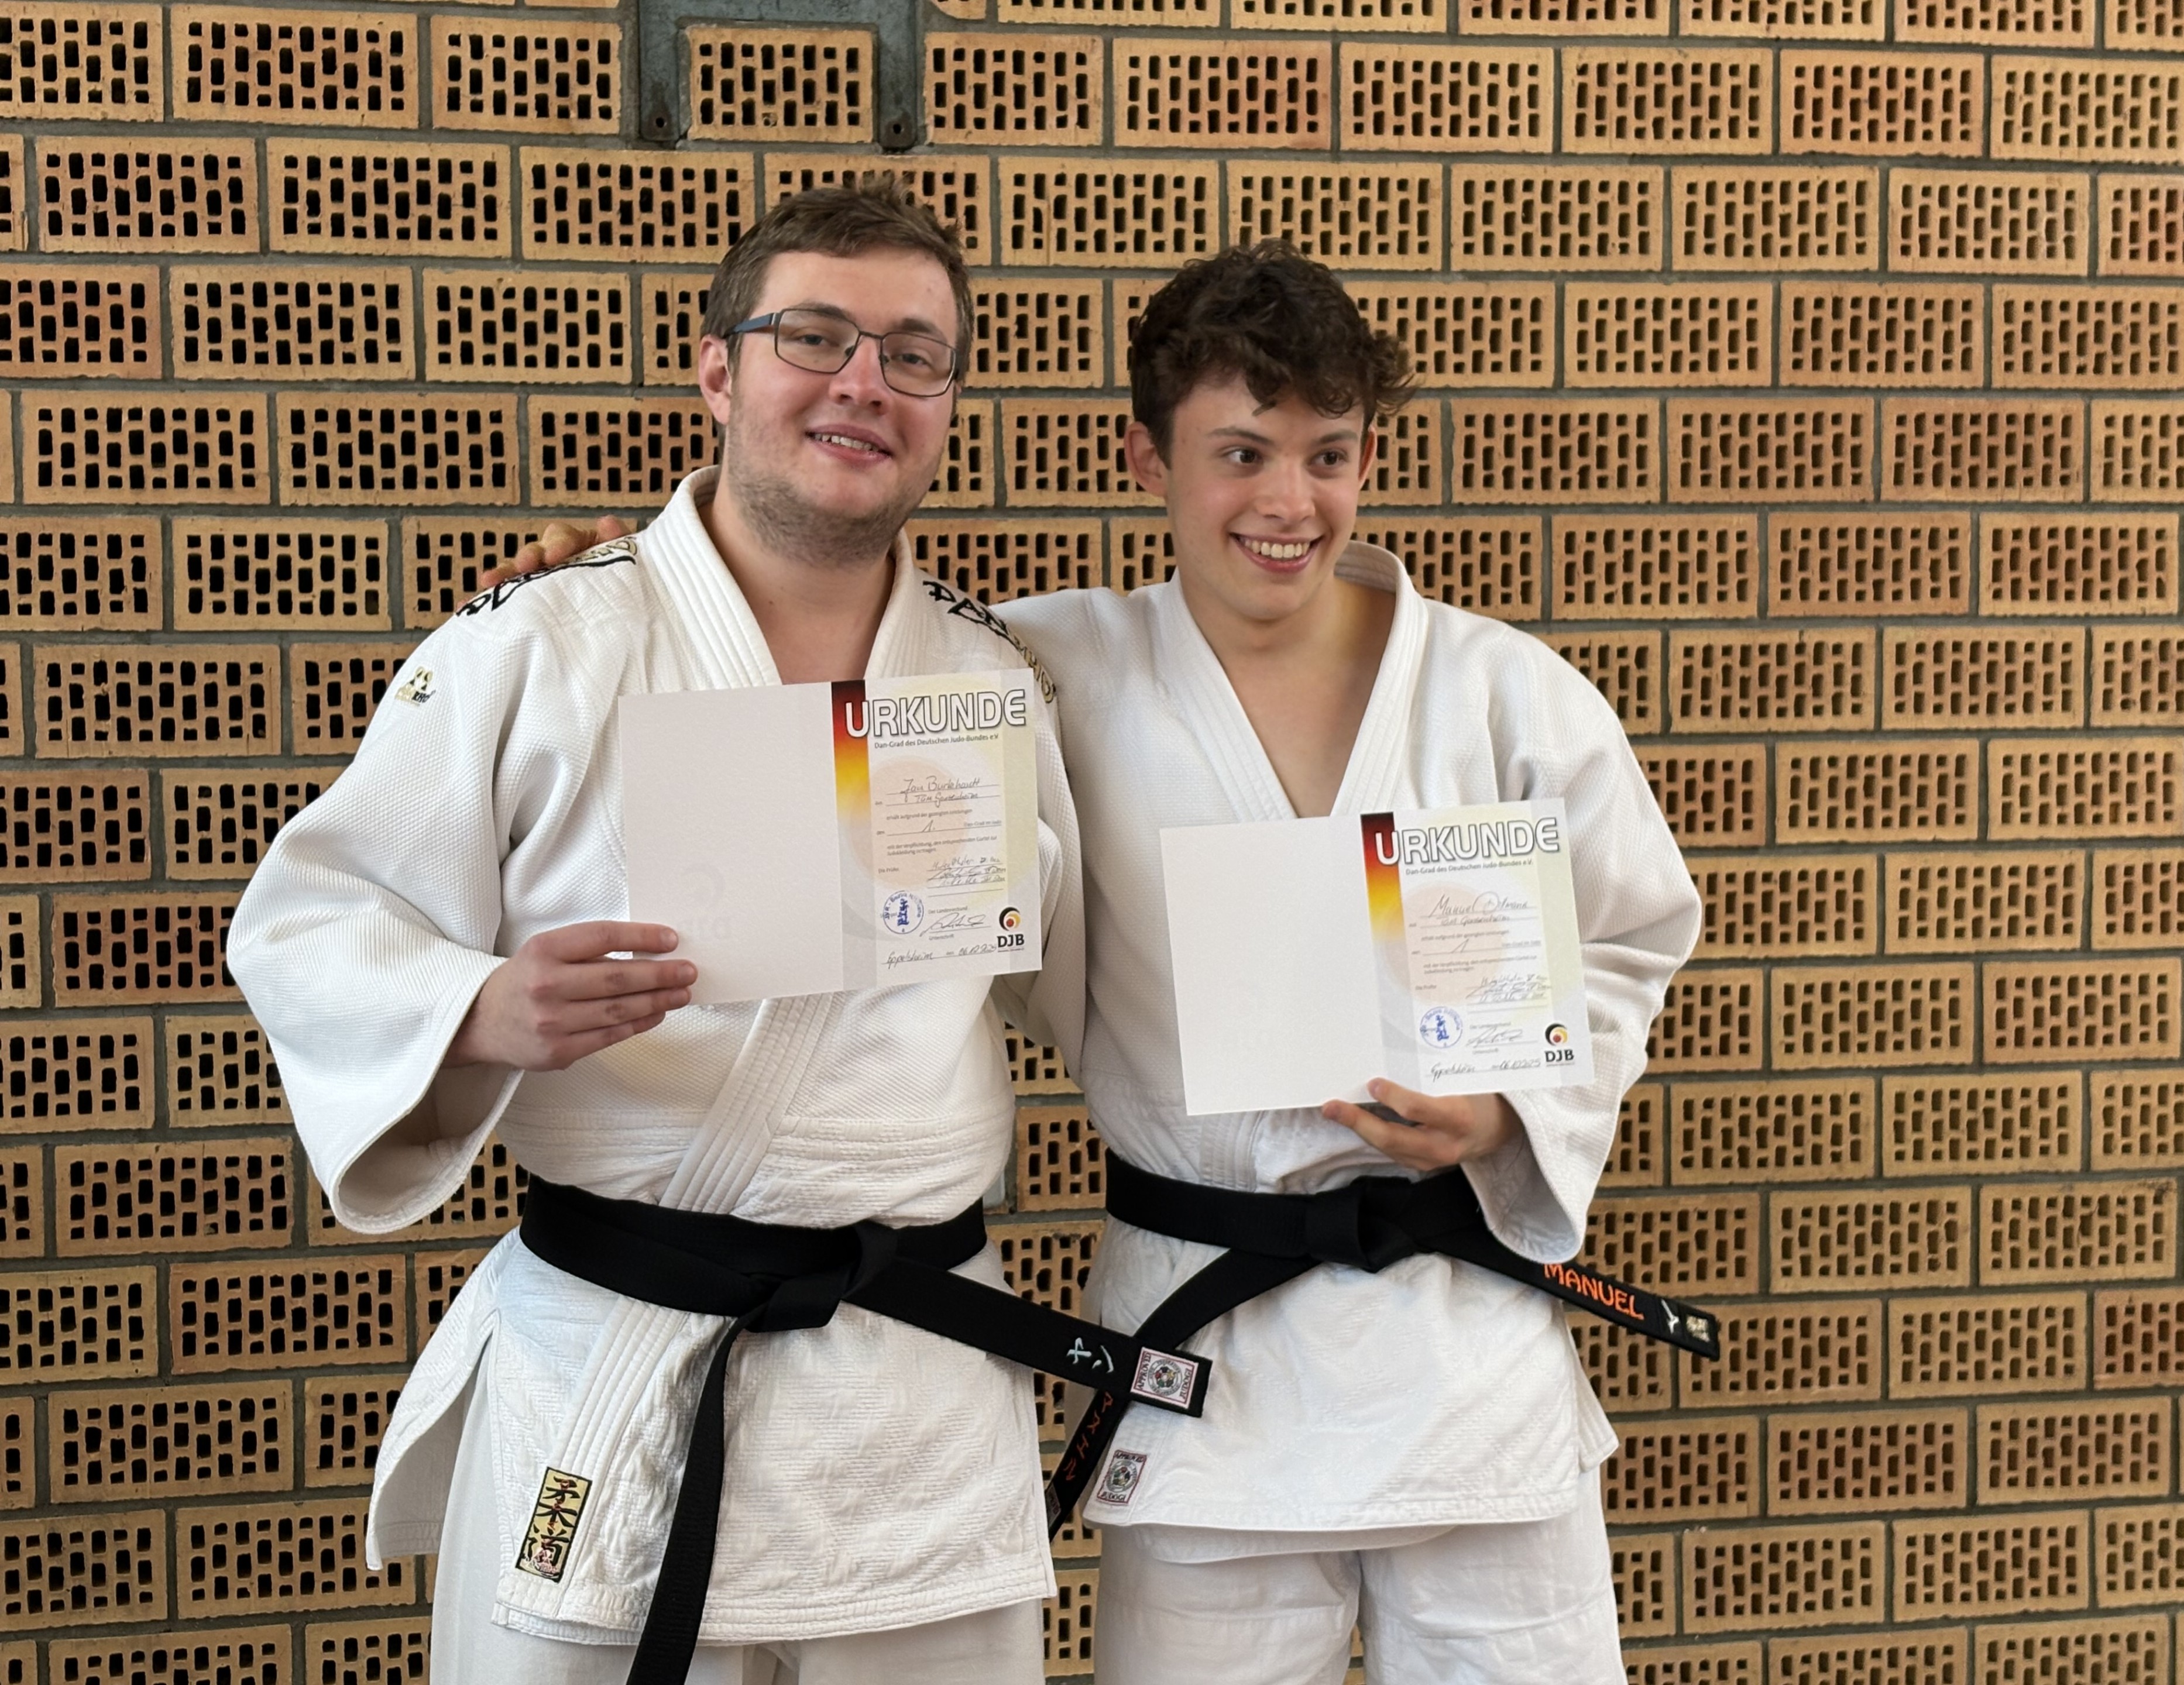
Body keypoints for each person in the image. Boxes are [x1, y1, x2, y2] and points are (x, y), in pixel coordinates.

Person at [510, 242, 1702, 1684]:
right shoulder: (1040, 673)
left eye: (1329, 456)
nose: (1289, 501)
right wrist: (620, 598)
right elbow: (823, 693)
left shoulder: (1506, 690)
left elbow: (1632, 936)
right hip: (1206, 1364)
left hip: (1471, 1366)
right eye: (1241, 453)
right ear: (1150, 460)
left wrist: (1511, 1113)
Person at [228, 183, 1089, 1685]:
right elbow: (311, 919)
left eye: (913, 354)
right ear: (717, 373)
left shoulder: (991, 682)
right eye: (812, 336)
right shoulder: (542, 642)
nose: (862, 383)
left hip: (914, 1392)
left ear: (949, 402)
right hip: (619, 1352)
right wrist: (479, 1007)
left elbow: (1090, 975)